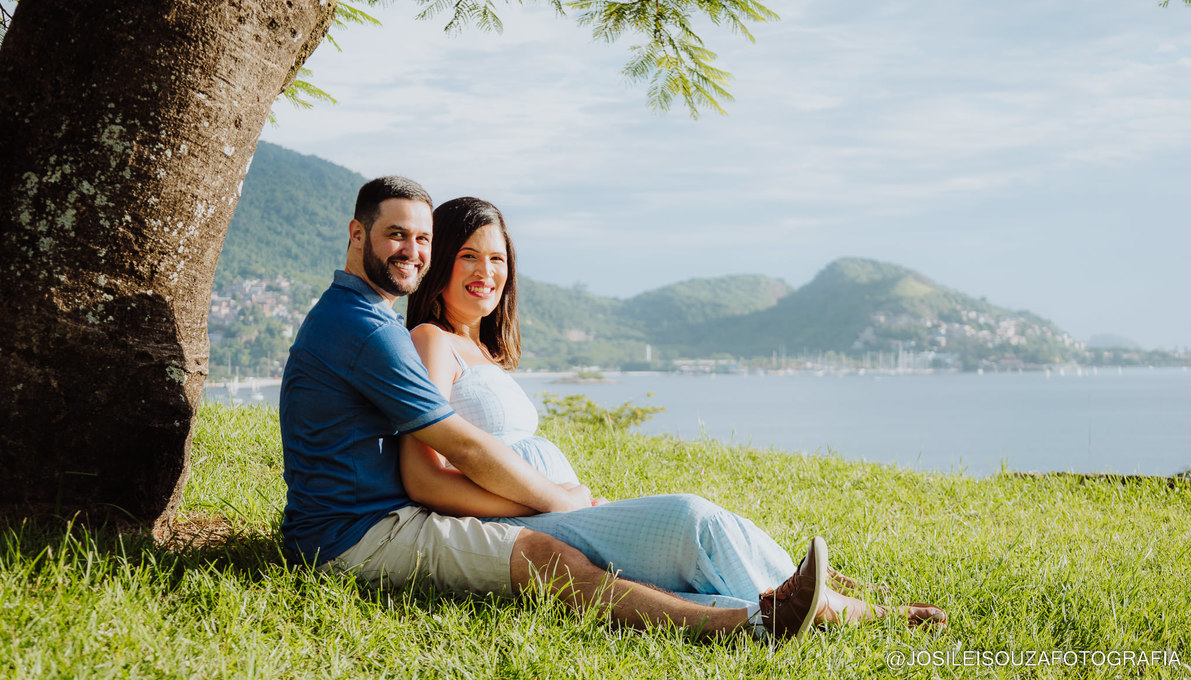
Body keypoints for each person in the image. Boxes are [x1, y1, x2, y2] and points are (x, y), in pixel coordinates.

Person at [278, 176, 942, 643]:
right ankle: (806, 611)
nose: (481, 270)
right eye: (463, 255)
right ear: (360, 235)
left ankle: (804, 603)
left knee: (683, 538)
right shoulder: (402, 335)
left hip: (520, 507)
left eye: (495, 258)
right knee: (683, 521)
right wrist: (558, 503)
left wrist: (565, 498)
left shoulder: (408, 331)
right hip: (430, 524)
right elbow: (445, 461)